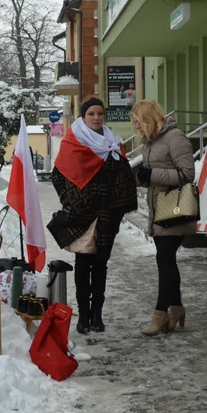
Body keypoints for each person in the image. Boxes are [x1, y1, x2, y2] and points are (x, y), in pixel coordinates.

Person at [48, 97, 138, 334]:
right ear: (83, 116)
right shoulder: (73, 142)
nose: (97, 118)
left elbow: (124, 177)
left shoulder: (113, 144)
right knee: (82, 263)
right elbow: (58, 176)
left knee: (101, 264)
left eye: (100, 114)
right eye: (92, 114)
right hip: (82, 214)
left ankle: (97, 314)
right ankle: (83, 315)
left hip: (107, 214)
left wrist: (117, 206)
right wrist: (72, 201)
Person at [132, 100, 196, 336]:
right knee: (166, 261)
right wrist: (145, 177)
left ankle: (160, 315)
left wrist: (154, 173)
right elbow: (158, 175)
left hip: (175, 210)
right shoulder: (151, 141)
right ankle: (177, 308)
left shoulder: (175, 137)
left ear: (148, 118)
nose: (135, 126)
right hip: (159, 209)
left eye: (137, 120)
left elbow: (188, 174)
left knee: (165, 261)